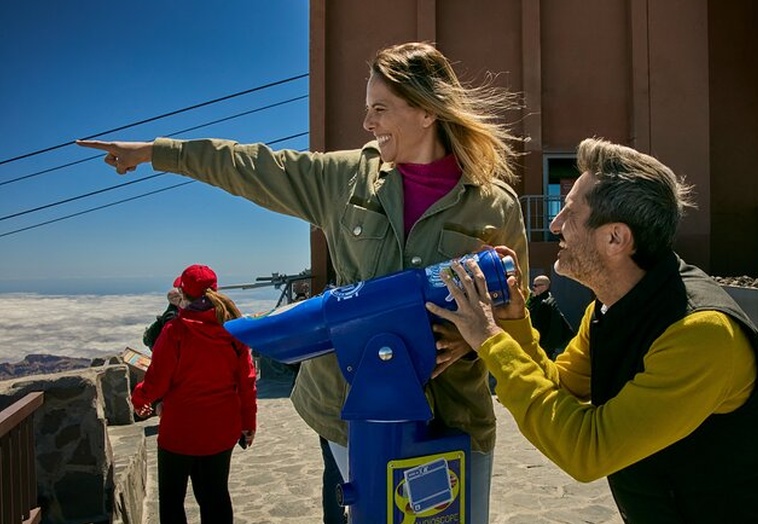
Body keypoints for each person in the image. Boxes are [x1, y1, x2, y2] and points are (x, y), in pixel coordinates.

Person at [78, 41, 529, 524]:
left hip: (453, 415)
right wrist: (153, 152)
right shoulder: (345, 180)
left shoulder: (493, 206)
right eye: (366, 109)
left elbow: (517, 315)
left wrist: (470, 340)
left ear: (426, 111)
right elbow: (250, 165)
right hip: (345, 414)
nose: (367, 123)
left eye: (380, 109)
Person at [426, 138, 758, 523]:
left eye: (568, 213)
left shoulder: (703, 334)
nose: (555, 225)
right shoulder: (609, 307)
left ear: (615, 238)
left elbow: (586, 449)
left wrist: (489, 340)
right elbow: (559, 386)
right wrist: (515, 323)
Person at [131, 264, 258, 524]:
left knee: (172, 501)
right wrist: (248, 424)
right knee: (216, 498)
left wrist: (139, 399)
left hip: (179, 433)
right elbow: (247, 382)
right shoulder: (234, 330)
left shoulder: (175, 331)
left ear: (183, 294)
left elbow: (156, 381)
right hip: (221, 431)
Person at [527, 274, 573, 359]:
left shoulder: (544, 303)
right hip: (544, 346)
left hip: (542, 345)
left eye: (536, 285)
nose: (534, 288)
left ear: (544, 286)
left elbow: (540, 326)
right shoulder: (545, 301)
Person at [142, 279, 183, 349]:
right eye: (174, 297)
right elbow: (173, 339)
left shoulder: (174, 310)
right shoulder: (171, 315)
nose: (175, 299)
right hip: (161, 347)